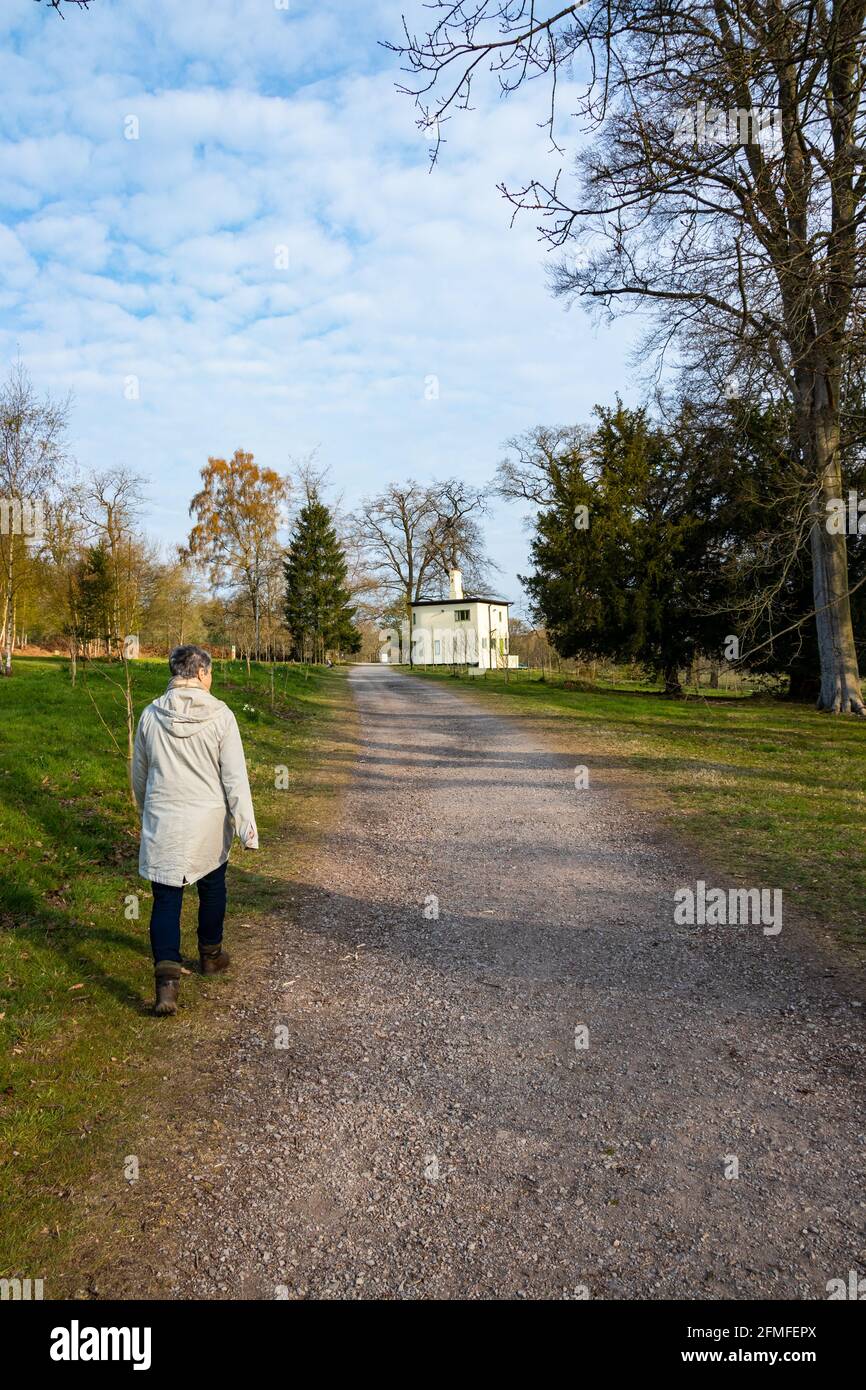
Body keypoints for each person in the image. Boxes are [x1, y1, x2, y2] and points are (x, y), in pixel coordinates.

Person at [132, 645, 258, 1016]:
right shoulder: (222, 716)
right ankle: (211, 955)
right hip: (207, 822)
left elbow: (140, 775)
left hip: (164, 819)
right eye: (211, 673)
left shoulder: (150, 716)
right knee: (212, 886)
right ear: (202, 674)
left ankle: (167, 986)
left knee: (166, 899)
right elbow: (235, 778)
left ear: (175, 673)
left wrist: (146, 811)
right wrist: (246, 828)